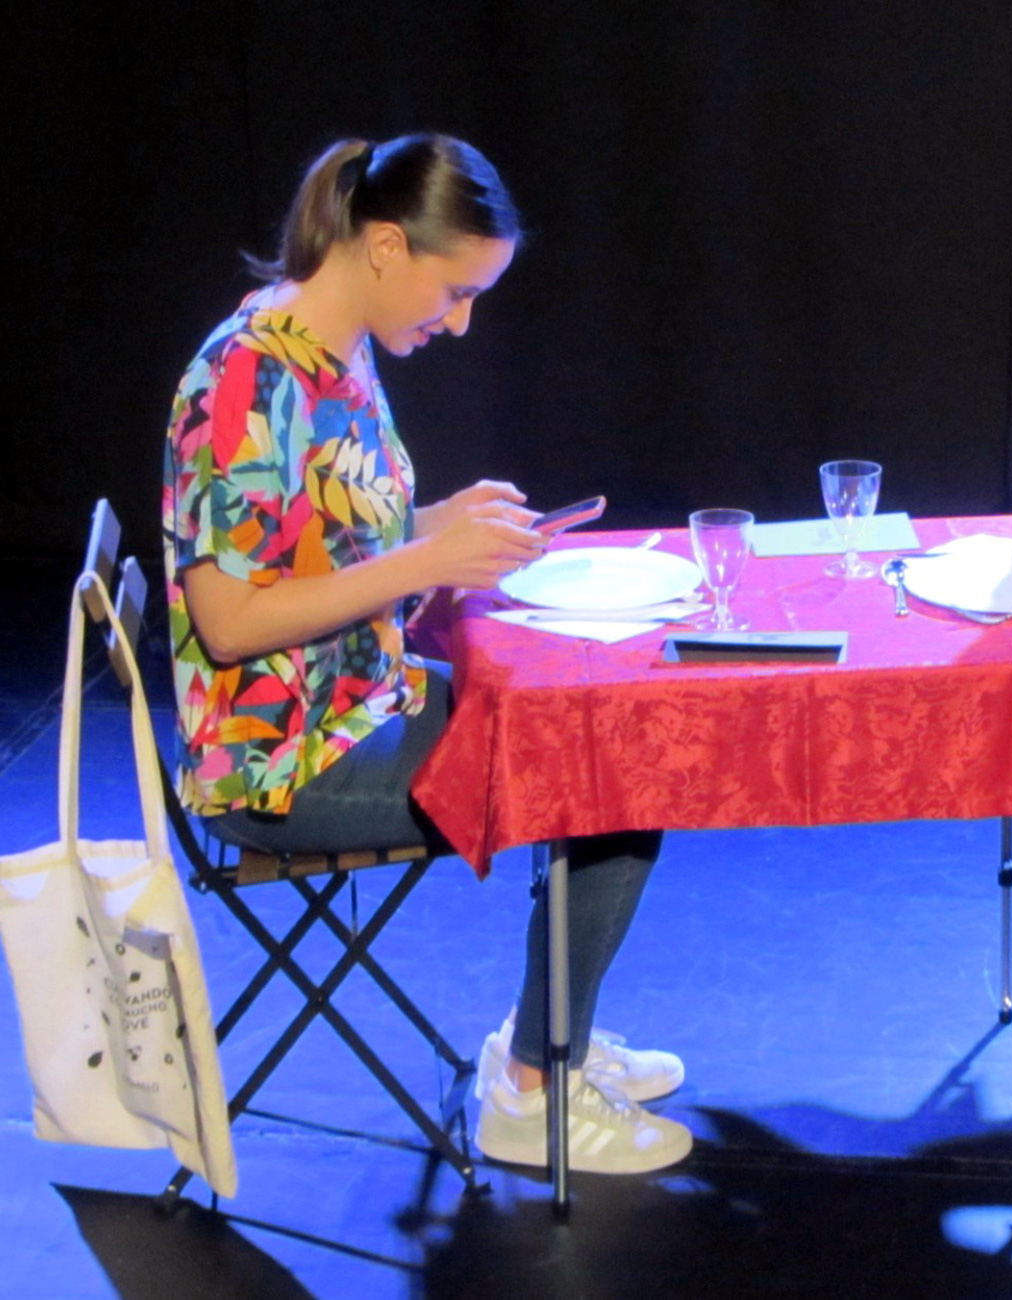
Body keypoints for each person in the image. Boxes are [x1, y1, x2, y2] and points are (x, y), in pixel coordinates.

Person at [161, 133, 691, 1173]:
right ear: (386, 246)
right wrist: (425, 561)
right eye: (454, 293)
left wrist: (441, 523)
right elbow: (229, 621)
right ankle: (534, 1086)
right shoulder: (244, 378)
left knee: (612, 734)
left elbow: (318, 538)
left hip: (364, 699)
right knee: (609, 774)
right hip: (282, 760)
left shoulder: (339, 347)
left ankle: (544, 1039)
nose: (459, 323)